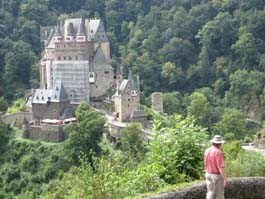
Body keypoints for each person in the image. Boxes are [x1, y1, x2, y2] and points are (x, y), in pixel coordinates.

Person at [204, 135, 227, 199]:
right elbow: (220, 167)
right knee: (219, 194)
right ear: (220, 144)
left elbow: (205, 163)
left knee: (210, 192)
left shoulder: (207, 150)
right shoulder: (218, 152)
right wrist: (224, 179)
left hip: (208, 174)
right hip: (216, 176)